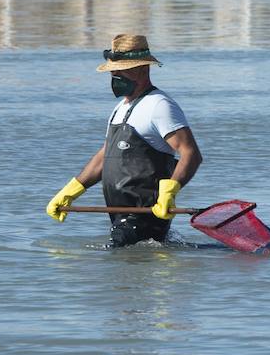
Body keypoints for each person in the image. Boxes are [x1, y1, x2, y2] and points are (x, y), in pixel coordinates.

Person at [45, 34, 203, 247]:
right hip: (120, 216)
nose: (114, 74)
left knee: (115, 263)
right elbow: (106, 156)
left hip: (146, 214)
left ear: (142, 69)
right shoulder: (121, 108)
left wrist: (169, 192)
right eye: (113, 69)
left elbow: (190, 153)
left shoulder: (160, 106)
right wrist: (71, 191)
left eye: (121, 68)